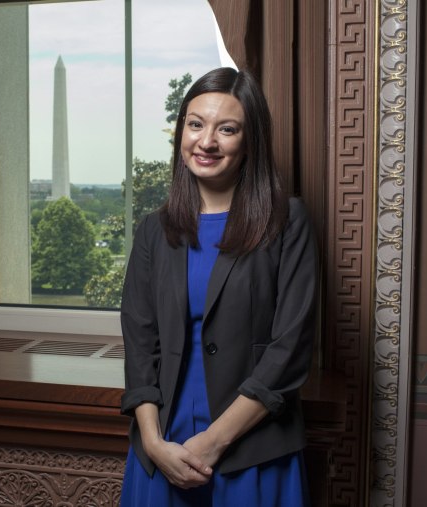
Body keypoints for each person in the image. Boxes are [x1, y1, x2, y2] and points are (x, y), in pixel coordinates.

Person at [119, 67, 317, 506]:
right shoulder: (154, 230)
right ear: (181, 133)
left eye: (226, 129)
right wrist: (152, 442)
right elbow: (139, 344)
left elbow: (290, 351)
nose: (206, 142)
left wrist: (214, 441)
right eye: (195, 124)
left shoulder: (288, 223)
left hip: (252, 448)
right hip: (164, 447)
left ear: (250, 143)